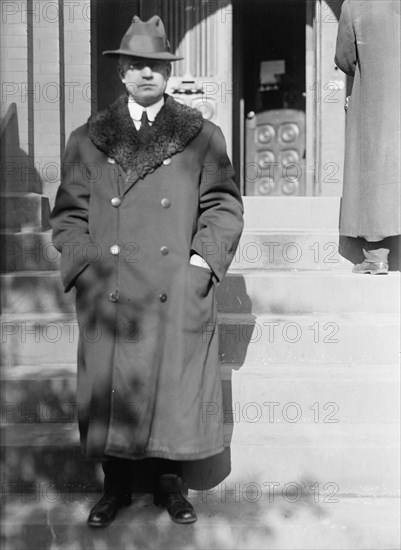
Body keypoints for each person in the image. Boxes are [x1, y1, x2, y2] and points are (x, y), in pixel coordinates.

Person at [50, 15, 244, 527]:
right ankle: (114, 487)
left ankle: (170, 486)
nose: (145, 75)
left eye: (155, 66)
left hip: (172, 285)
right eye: (136, 66)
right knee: (113, 385)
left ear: (167, 73)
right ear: (121, 73)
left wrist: (201, 265)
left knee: (173, 384)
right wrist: (84, 265)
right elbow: (68, 214)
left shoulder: (201, 136)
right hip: (111, 287)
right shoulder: (87, 138)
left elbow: (223, 205)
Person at [335, 0, 400, 274]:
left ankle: (376, 257)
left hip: (379, 98)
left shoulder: (356, 4)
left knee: (375, 167)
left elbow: (344, 58)